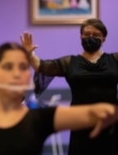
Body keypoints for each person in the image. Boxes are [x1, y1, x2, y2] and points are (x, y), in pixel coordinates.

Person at [20, 18, 118, 155]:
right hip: (80, 121)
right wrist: (30, 54)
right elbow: (42, 66)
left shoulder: (115, 59)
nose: (91, 38)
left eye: (96, 35)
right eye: (87, 34)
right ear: (81, 37)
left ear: (104, 38)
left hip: (111, 122)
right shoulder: (69, 62)